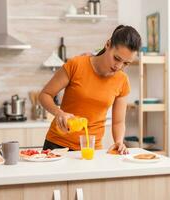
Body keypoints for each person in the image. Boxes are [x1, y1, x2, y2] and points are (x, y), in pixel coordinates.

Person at [39, 25, 141, 154]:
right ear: (108, 44)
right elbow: (45, 95)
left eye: (126, 63)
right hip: (58, 145)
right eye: (117, 58)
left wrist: (119, 142)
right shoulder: (76, 65)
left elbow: (119, 122)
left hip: (92, 149)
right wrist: (59, 113)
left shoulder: (122, 80)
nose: (119, 66)